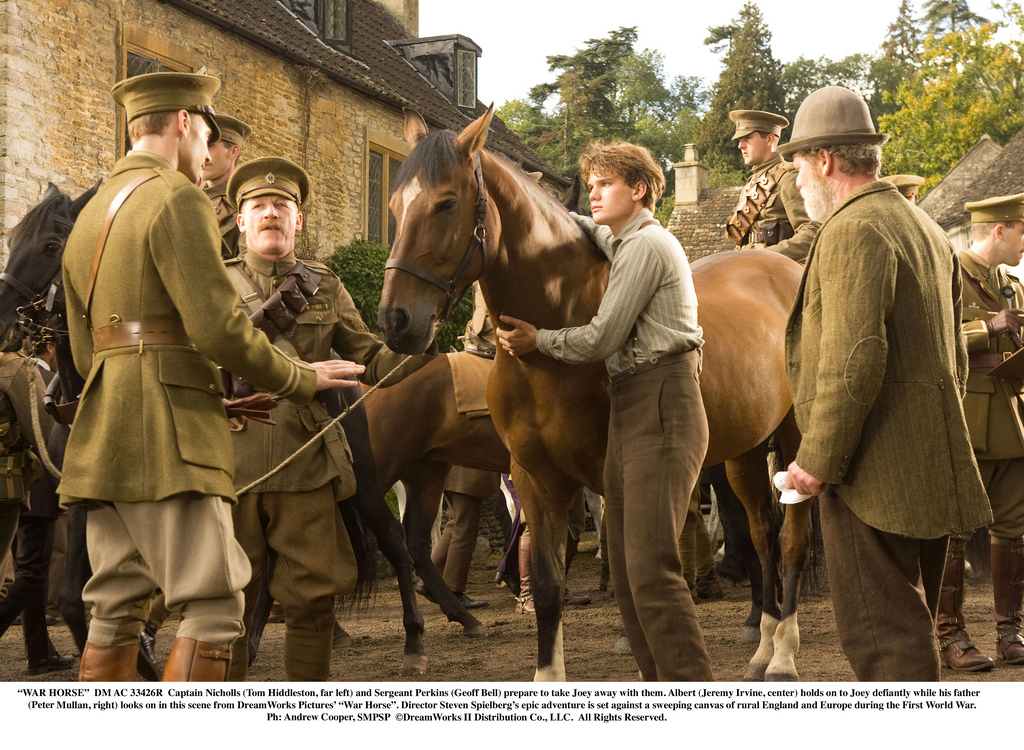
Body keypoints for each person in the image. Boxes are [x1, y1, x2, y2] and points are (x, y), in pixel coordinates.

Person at [58, 72, 361, 682]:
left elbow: (85, 350)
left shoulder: (90, 214)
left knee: (114, 607)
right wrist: (301, 380)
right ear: (183, 124)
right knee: (219, 605)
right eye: (207, 137)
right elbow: (218, 330)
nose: (210, 157)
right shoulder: (175, 196)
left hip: (104, 433)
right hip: (169, 435)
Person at [779, 86, 992, 681]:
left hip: (870, 473)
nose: (795, 180)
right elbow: (956, 356)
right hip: (926, 464)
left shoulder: (854, 229)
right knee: (908, 632)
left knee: (883, 643)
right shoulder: (918, 223)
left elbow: (856, 358)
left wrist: (816, 461)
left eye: (797, 163)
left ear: (825, 160)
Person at [497, 141, 713, 681]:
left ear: (638, 190)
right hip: (633, 404)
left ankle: (694, 693)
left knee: (651, 569)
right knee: (624, 567)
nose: (592, 193)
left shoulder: (646, 247)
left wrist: (538, 341)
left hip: (663, 399)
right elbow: (591, 230)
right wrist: (543, 207)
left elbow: (601, 338)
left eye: (605, 184)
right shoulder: (623, 240)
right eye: (589, 183)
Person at [223, 156, 437, 681]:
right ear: (241, 220)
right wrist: (298, 370)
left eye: (282, 206)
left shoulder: (324, 286)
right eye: (259, 206)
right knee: (222, 607)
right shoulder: (213, 283)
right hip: (228, 466)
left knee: (313, 603)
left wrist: (423, 332)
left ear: (297, 221)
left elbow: (372, 359)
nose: (271, 213)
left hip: (307, 466)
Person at [936, 193, 1024, 671]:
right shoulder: (949, 275)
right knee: (955, 530)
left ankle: (1011, 631)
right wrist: (986, 328)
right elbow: (937, 337)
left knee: (1013, 528)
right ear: (999, 230)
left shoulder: (1012, 283)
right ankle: (951, 635)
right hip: (968, 418)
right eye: (1022, 232)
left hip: (1013, 417)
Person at [0, 344, 73, 674]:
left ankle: (39, 652)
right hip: (36, 482)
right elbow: (45, 433)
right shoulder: (26, 371)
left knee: (33, 572)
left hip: (21, 484)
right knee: (32, 573)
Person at [725, 109, 818, 263]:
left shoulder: (789, 177)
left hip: (781, 272)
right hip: (750, 268)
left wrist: (765, 258)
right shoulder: (749, 185)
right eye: (739, 140)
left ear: (769, 140)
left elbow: (812, 232)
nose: (740, 145)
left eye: (747, 138)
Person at [202, 113, 252, 259]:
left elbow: (249, 268)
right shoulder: (187, 198)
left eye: (210, 146)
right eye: (201, 145)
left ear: (233, 151)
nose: (203, 154)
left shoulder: (246, 203)